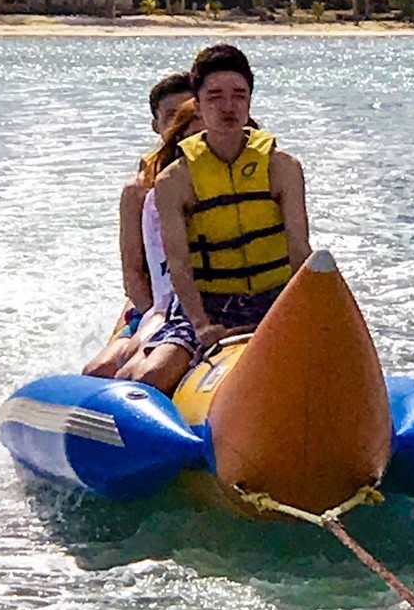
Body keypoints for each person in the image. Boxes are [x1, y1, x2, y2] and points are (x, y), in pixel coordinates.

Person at [119, 43, 310, 396]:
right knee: (150, 379)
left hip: (275, 301)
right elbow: (178, 265)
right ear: (199, 103)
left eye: (239, 95)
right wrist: (202, 325)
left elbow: (299, 251)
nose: (228, 106)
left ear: (250, 100)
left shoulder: (283, 168)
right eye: (215, 96)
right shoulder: (174, 180)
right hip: (206, 304)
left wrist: (305, 315)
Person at [81, 71, 193, 377]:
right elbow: (133, 275)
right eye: (172, 115)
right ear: (156, 124)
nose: (181, 123)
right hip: (152, 303)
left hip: (201, 300)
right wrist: (154, 321)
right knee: (97, 371)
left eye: (190, 113)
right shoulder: (138, 191)